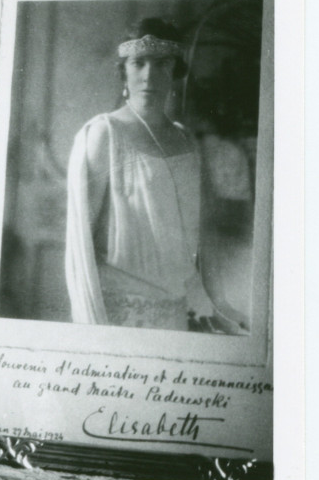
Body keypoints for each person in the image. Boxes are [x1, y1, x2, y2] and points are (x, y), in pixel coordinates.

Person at [64, 18, 245, 333]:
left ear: (175, 72)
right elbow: (80, 242)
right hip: (117, 312)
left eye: (162, 64)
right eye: (139, 63)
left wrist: (222, 306)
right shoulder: (105, 132)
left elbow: (203, 237)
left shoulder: (187, 140)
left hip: (174, 312)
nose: (149, 75)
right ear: (124, 70)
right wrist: (91, 328)